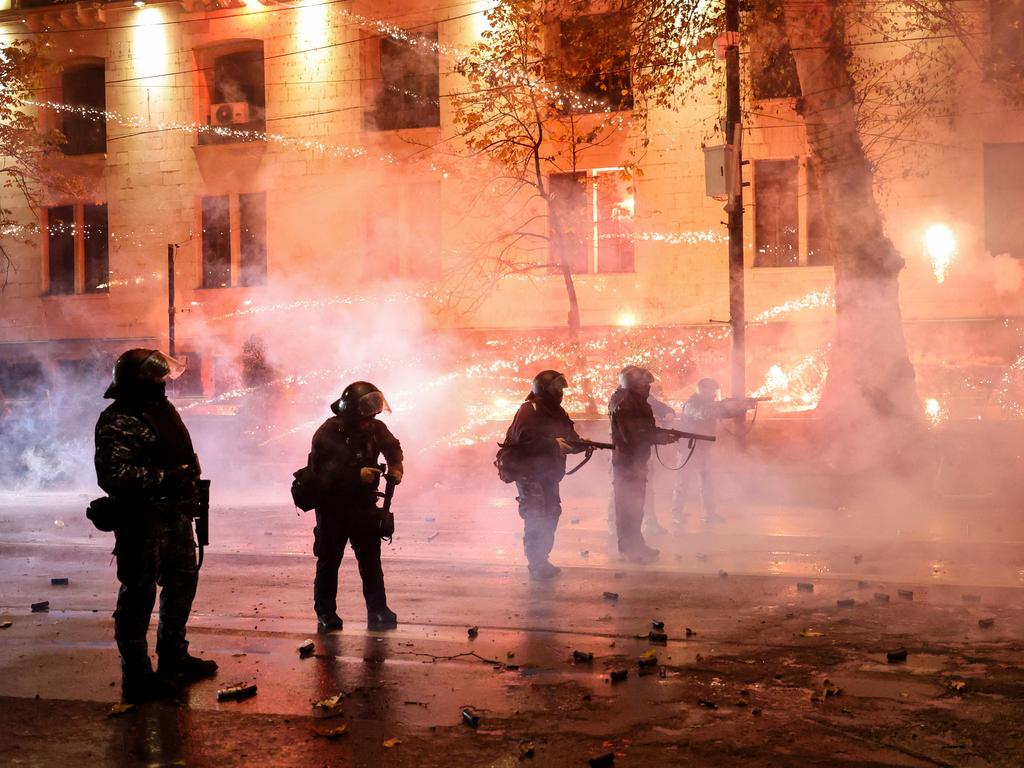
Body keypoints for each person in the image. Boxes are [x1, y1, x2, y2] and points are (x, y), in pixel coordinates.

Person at [94, 348, 217, 703]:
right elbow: (114, 475)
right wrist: (167, 478)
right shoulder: (119, 419)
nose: (164, 384)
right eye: (158, 378)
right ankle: (137, 675)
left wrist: (185, 485)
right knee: (139, 595)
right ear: (142, 381)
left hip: (174, 517)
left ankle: (174, 656)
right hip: (142, 520)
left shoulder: (160, 410)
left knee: (182, 584)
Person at [308, 381, 403, 632]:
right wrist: (355, 475)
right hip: (333, 508)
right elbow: (323, 474)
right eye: (366, 408)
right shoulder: (329, 432)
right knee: (329, 560)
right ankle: (326, 612)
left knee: (371, 560)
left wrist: (395, 465)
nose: (371, 416)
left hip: (363, 505)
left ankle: (378, 609)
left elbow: (392, 447)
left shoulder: (374, 427)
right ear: (351, 408)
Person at [500, 370, 584, 580]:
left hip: (547, 473)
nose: (561, 392)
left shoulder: (556, 411)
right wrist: (553, 443)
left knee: (551, 513)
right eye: (557, 388)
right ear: (545, 389)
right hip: (529, 473)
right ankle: (536, 562)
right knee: (536, 515)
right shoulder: (529, 410)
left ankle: (542, 558)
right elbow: (524, 439)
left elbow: (568, 435)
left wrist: (580, 444)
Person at [608, 366, 681, 563]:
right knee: (627, 507)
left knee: (636, 505)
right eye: (645, 383)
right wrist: (657, 437)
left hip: (636, 461)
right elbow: (633, 434)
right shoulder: (624, 402)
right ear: (634, 384)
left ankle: (637, 543)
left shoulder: (636, 401)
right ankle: (628, 549)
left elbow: (644, 428)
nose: (648, 387)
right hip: (627, 462)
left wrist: (660, 435)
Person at [672, 377, 757, 526]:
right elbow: (707, 413)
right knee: (682, 483)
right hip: (688, 449)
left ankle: (709, 514)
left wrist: (742, 407)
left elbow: (721, 412)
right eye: (711, 390)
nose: (713, 393)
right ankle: (676, 514)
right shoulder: (692, 404)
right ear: (702, 390)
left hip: (702, 447)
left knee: (707, 482)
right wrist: (727, 405)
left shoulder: (708, 404)